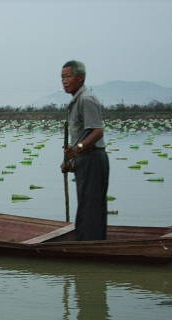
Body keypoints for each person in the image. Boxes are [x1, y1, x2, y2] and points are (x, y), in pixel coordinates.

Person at [60, 60, 109, 240]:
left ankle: (91, 247)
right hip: (85, 159)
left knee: (91, 207)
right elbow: (81, 138)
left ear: (80, 78)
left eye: (68, 76)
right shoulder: (76, 101)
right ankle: (86, 242)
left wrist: (78, 149)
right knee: (86, 206)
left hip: (93, 158)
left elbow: (97, 131)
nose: (64, 81)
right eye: (62, 77)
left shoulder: (86, 99)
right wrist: (70, 162)